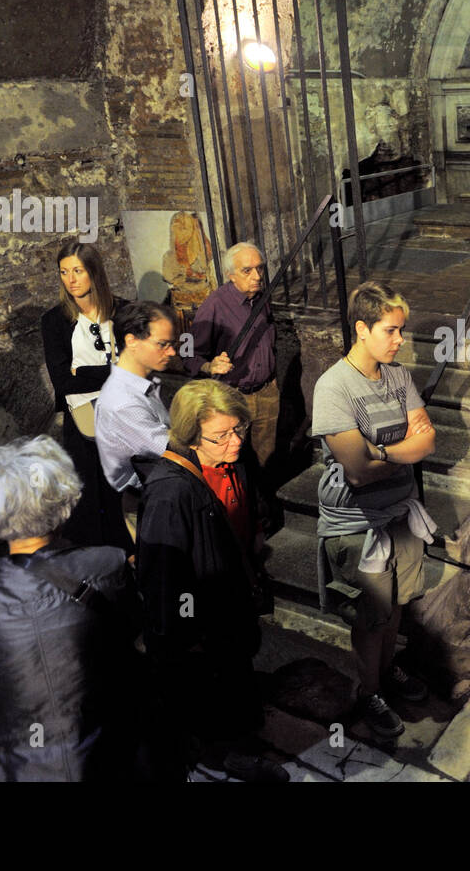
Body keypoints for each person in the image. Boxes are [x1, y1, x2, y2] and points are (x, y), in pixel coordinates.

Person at [0, 435, 139, 781]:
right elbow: (129, 627)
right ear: (62, 503)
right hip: (102, 746)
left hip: (12, 764)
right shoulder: (109, 563)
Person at [133, 379, 286, 782]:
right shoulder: (171, 492)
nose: (234, 442)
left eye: (240, 429)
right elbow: (162, 576)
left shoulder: (234, 457)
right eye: (221, 435)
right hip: (202, 617)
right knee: (213, 692)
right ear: (189, 435)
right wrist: (186, 633)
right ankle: (221, 756)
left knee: (236, 677)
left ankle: (233, 741)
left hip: (232, 598)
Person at [312, 282, 437, 740]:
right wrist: (395, 452)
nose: (399, 340)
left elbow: (427, 442)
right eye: (391, 330)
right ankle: (368, 690)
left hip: (400, 513)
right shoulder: (333, 387)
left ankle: (387, 675)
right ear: (361, 329)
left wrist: (381, 452)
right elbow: (357, 473)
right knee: (371, 616)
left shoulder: (399, 376)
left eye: (401, 330)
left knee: (398, 604)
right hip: (359, 522)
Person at [40, 239, 132, 548]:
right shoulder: (54, 321)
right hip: (83, 416)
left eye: (77, 271)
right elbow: (64, 383)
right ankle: (97, 559)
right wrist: (114, 372)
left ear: (94, 272)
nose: (71, 280)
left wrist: (86, 373)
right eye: (64, 272)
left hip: (124, 411)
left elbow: (139, 368)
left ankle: (128, 551)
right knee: (90, 492)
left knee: (122, 486)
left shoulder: (124, 312)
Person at [182, 241, 281, 523]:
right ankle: (238, 521)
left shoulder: (261, 297)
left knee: (266, 460)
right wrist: (208, 364)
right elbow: (188, 351)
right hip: (235, 397)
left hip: (267, 392)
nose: (257, 276)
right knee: (236, 465)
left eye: (260, 268)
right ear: (231, 275)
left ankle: (263, 519)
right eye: (247, 270)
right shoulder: (216, 304)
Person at [94, 301, 177, 494]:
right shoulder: (123, 403)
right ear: (131, 341)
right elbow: (172, 450)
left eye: (172, 344)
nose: (172, 352)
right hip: (148, 497)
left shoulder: (145, 382)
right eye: (162, 344)